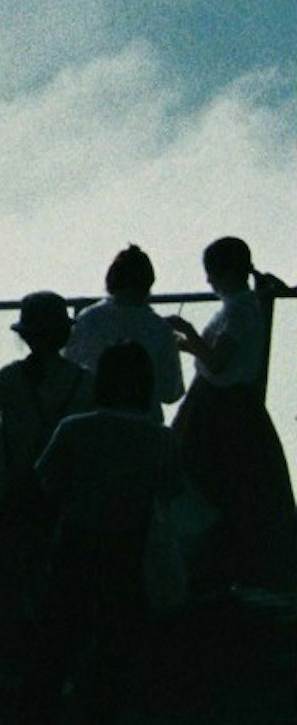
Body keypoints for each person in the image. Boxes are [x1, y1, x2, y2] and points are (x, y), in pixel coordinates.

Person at [25, 343, 185, 725]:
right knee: (116, 640)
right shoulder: (160, 438)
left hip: (76, 538)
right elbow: (172, 490)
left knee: (59, 634)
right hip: (129, 544)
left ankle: (39, 708)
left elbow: (46, 481)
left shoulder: (75, 428)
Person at [0, 292, 93, 685]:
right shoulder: (85, 382)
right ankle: (58, 667)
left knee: (6, 585)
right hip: (60, 497)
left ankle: (2, 664)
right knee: (54, 585)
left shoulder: (10, 378)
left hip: (9, 494)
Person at [169, 234, 293, 585]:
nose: (207, 280)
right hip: (231, 406)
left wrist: (186, 333)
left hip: (220, 409)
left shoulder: (238, 309)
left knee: (209, 484)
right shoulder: (242, 306)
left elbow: (218, 363)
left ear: (223, 272)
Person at [65, 247, 183, 419]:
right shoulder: (160, 328)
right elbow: (171, 392)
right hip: (145, 422)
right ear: (148, 283)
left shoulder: (88, 320)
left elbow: (71, 373)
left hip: (94, 418)